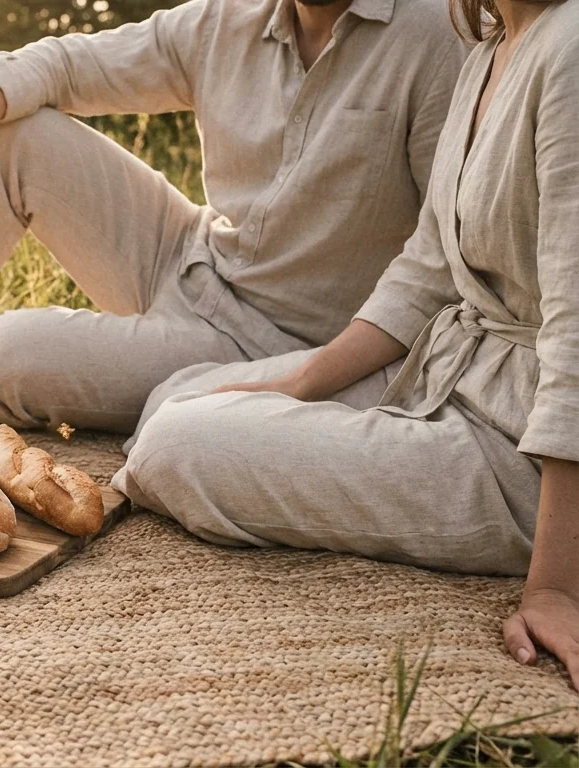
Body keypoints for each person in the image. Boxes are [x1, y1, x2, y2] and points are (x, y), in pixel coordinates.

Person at [119, 0, 579, 687]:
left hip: (524, 454)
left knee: (177, 445)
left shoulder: (569, 45)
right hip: (457, 372)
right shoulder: (489, 45)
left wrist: (558, 588)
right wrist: (300, 386)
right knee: (176, 397)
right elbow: (428, 266)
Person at [0, 0, 468, 437]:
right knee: (12, 133)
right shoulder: (226, 19)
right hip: (187, 254)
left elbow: (439, 260)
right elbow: (68, 64)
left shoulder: (437, 36)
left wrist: (307, 382)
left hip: (274, 341)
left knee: (7, 360)